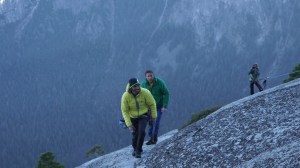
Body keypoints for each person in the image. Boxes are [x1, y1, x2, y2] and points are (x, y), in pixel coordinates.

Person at [121, 78, 157, 158]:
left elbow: (152, 104)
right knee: (135, 134)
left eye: (138, 85)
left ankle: (138, 151)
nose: (137, 87)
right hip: (132, 117)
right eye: (135, 86)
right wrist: (129, 125)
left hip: (143, 115)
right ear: (130, 88)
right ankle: (135, 149)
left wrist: (154, 117)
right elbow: (125, 111)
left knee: (142, 132)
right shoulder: (125, 96)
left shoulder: (145, 92)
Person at [141, 70, 170, 145]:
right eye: (148, 76)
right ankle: (151, 137)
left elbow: (166, 93)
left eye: (151, 75)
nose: (150, 77)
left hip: (159, 106)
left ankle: (154, 139)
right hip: (149, 108)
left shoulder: (160, 82)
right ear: (145, 77)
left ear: (154, 75)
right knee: (151, 123)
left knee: (156, 122)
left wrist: (165, 105)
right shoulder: (143, 84)